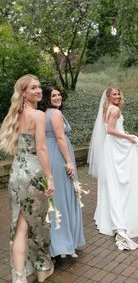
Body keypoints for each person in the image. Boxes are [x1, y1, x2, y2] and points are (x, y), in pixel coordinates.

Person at [87, 87, 138, 250]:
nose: (117, 96)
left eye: (118, 93)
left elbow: (112, 129)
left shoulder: (107, 109)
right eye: (114, 94)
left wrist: (123, 132)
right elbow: (110, 130)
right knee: (123, 181)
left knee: (114, 182)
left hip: (111, 146)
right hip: (115, 147)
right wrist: (129, 137)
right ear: (108, 96)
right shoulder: (114, 110)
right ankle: (124, 217)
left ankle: (111, 215)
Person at [0, 75, 54, 283]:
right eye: (33, 88)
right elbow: (41, 148)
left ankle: (21, 275)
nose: (39, 90)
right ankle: (39, 269)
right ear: (23, 92)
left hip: (16, 172)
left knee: (20, 225)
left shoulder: (15, 114)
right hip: (33, 172)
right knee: (33, 224)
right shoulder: (38, 115)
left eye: (39, 87)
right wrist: (50, 178)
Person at [43, 86, 85, 258]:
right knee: (65, 197)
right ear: (47, 98)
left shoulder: (44, 114)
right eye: (54, 95)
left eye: (59, 94)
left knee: (56, 199)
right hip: (60, 157)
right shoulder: (56, 114)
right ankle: (65, 244)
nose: (58, 97)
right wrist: (69, 162)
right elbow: (60, 138)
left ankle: (58, 242)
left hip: (50, 155)